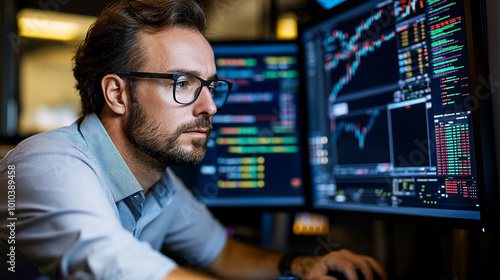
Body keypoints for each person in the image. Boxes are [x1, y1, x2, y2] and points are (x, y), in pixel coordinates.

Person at [0, 0, 388, 279]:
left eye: (212, 86)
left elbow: (222, 252)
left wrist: (302, 265)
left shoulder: (158, 183)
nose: (210, 107)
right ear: (117, 95)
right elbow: (113, 264)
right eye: (183, 83)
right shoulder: (46, 165)